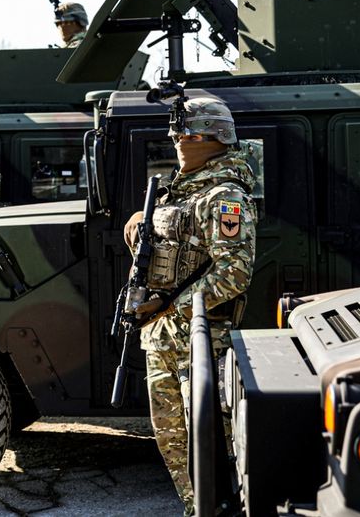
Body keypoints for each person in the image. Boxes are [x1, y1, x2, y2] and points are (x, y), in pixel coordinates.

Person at [121, 96, 259, 514]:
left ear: (217, 138)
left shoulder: (224, 196)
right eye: (178, 133)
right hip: (163, 339)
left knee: (210, 444)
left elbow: (234, 272)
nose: (180, 141)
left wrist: (169, 307)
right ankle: (194, 507)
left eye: (191, 134)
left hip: (200, 344)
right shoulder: (180, 190)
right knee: (172, 441)